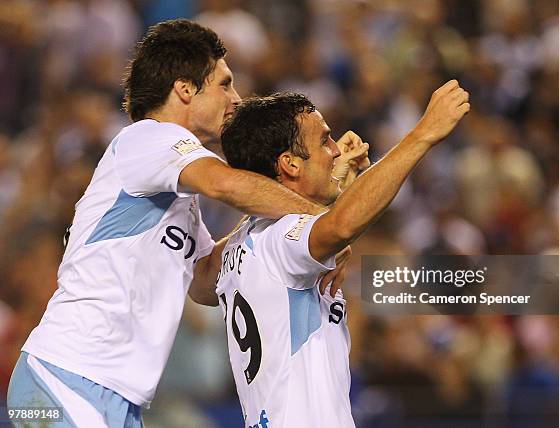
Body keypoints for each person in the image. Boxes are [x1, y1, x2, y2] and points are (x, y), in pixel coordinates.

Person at [6, 20, 333, 427]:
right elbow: (225, 183)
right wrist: (326, 222)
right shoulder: (147, 139)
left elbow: (204, 282)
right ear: (184, 89)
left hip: (112, 394)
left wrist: (293, 234)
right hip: (69, 377)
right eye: (224, 84)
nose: (236, 98)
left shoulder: (177, 197)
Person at [193, 83, 469, 427]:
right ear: (290, 164)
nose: (336, 150)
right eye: (324, 141)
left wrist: (333, 188)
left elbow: (201, 285)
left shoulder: (243, 242)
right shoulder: (281, 240)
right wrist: (422, 135)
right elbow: (339, 227)